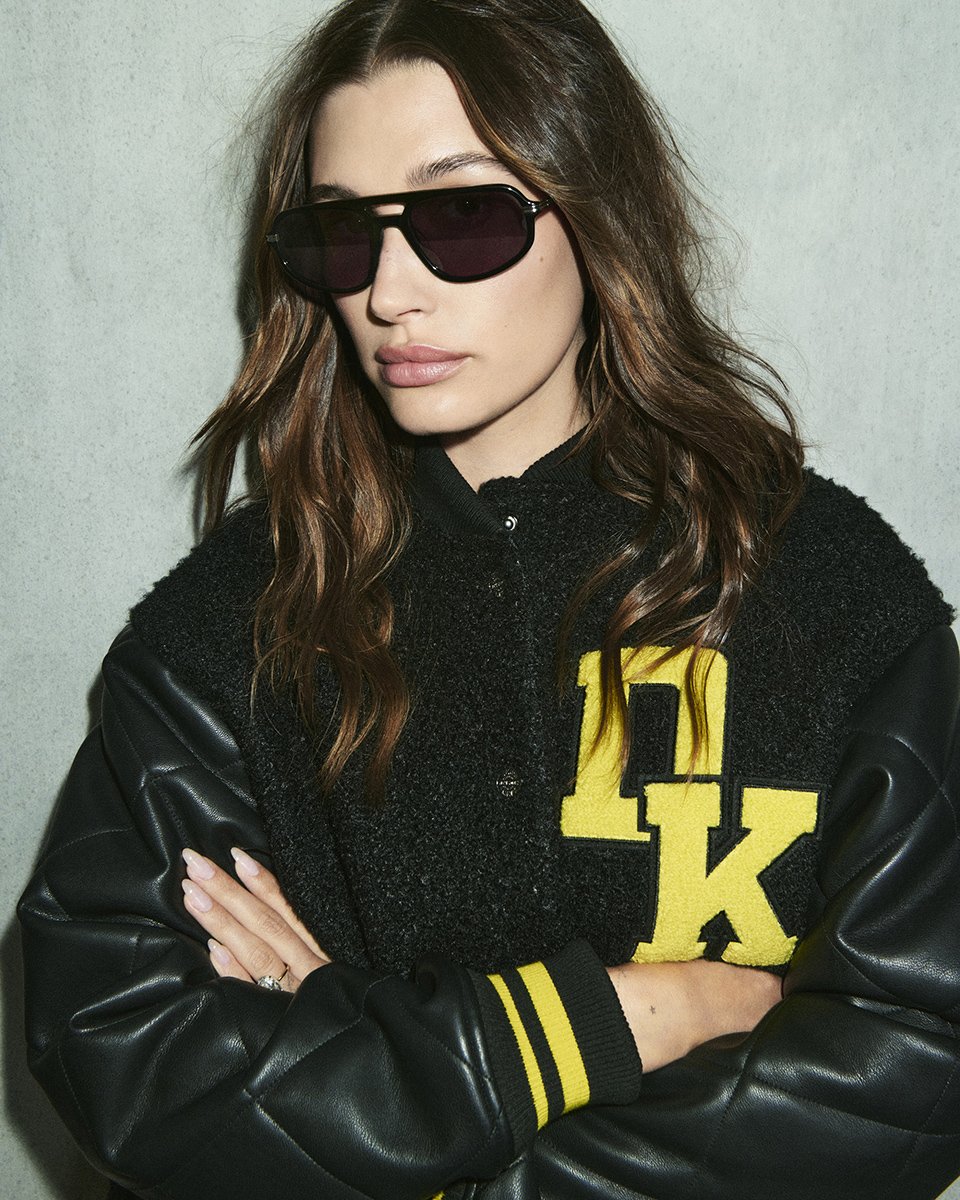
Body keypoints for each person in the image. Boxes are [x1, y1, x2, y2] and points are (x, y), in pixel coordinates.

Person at [17, 1, 960, 1197]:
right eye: (341, 234)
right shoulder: (228, 626)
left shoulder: (822, 582)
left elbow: (919, 1055)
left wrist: (373, 1068)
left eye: (461, 216)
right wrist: (612, 1023)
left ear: (598, 211)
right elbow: (128, 1059)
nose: (388, 294)